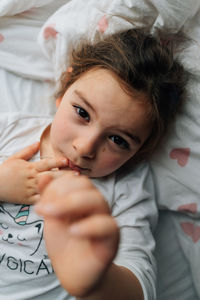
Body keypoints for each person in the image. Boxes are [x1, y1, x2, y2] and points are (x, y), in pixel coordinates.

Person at [0, 27, 187, 300]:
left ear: (140, 150)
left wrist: (97, 280)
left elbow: (140, 286)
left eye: (117, 140)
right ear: (64, 90)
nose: (85, 147)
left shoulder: (127, 185)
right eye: (82, 113)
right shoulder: (10, 131)